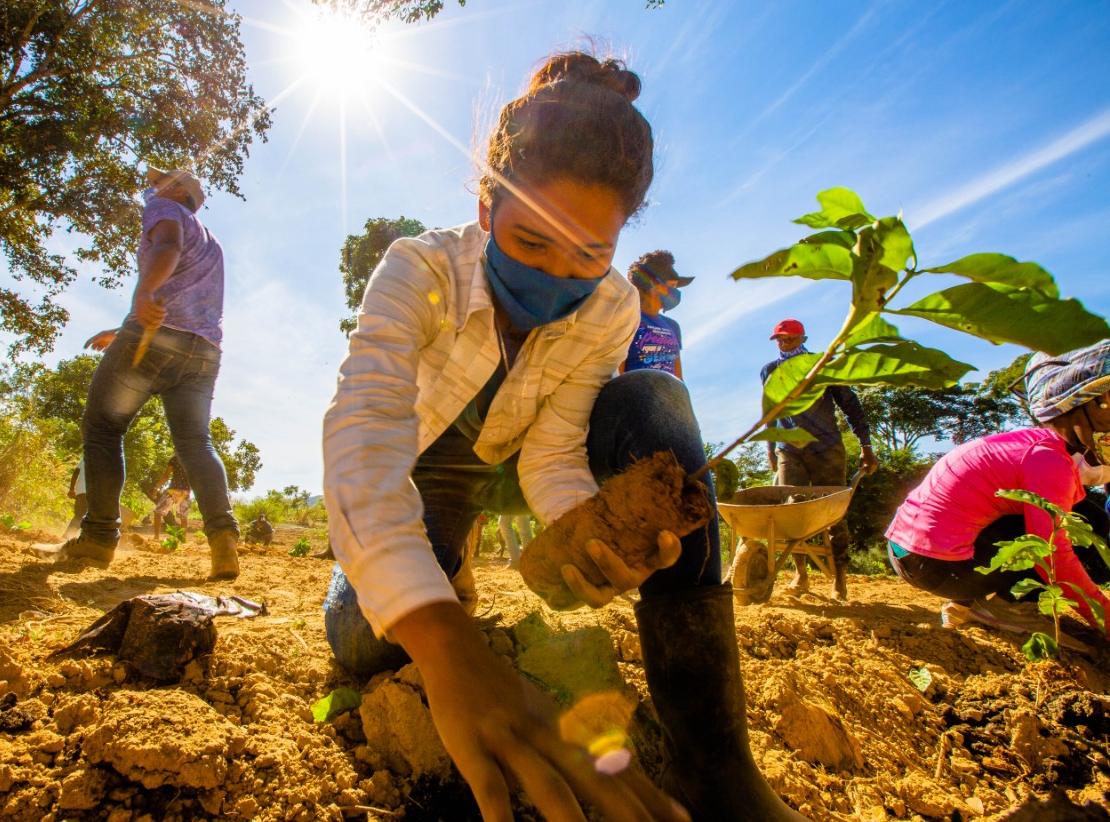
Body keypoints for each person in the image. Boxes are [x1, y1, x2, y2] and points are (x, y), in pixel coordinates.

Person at [321, 50, 805, 822]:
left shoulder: (613, 306)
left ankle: (715, 760)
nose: (558, 275)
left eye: (591, 253)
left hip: (514, 461)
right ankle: (448, 564)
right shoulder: (419, 270)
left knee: (656, 401)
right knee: (364, 637)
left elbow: (553, 447)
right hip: (429, 474)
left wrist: (591, 529)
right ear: (486, 208)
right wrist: (447, 642)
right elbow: (363, 436)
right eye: (530, 242)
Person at [30, 166, 242, 580]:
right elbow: (184, 296)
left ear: (180, 191)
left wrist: (142, 295)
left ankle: (97, 538)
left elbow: (166, 247)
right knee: (196, 443)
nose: (153, 181)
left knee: (104, 426)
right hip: (203, 351)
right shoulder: (211, 242)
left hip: (155, 339)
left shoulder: (166, 209)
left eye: (164, 178)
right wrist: (125, 323)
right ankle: (223, 541)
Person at [886, 340, 1110, 638]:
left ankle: (965, 603)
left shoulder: (1036, 444)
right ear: (1085, 406)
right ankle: (1012, 607)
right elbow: (1053, 555)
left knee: (1083, 516)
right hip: (934, 567)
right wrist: (1104, 617)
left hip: (912, 552)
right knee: (1072, 532)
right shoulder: (1051, 464)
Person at [760, 318, 878, 601]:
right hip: (790, 448)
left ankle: (839, 578)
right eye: (779, 338)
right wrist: (770, 448)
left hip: (826, 448)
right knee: (792, 511)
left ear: (803, 338)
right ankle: (801, 574)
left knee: (834, 512)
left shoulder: (823, 365)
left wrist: (866, 445)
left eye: (788, 337)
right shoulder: (770, 370)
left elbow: (850, 405)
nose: (783, 342)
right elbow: (770, 410)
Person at [621, 250, 692, 378]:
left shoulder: (672, 326)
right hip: (633, 395)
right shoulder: (627, 319)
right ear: (654, 284)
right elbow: (616, 372)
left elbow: (678, 377)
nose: (675, 292)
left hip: (668, 396)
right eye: (672, 286)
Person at [151, 454, 192, 541]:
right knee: (183, 516)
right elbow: (193, 477)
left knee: (158, 512)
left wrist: (156, 489)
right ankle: (183, 539)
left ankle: (156, 537)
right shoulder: (190, 459)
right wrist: (189, 491)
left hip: (173, 490)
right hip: (185, 491)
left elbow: (166, 476)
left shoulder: (174, 459)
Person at [59, 458, 88, 542]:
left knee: (79, 514)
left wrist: (72, 488)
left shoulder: (87, 456)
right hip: (92, 491)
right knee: (84, 515)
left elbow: (76, 472)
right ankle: (67, 537)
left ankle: (68, 536)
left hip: (81, 490)